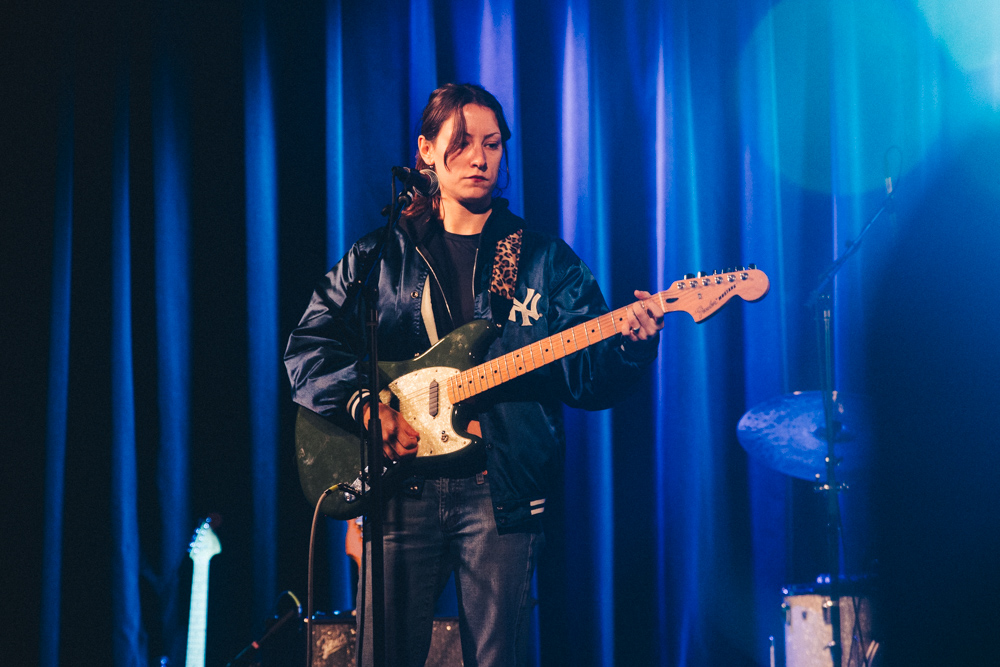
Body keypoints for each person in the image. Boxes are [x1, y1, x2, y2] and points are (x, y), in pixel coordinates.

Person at [284, 83, 664, 667]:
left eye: (492, 144)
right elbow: (308, 347)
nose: (479, 158)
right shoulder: (381, 255)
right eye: (461, 143)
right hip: (399, 491)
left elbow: (587, 379)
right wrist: (364, 406)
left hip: (500, 493)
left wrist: (633, 349)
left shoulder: (542, 259)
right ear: (426, 151)